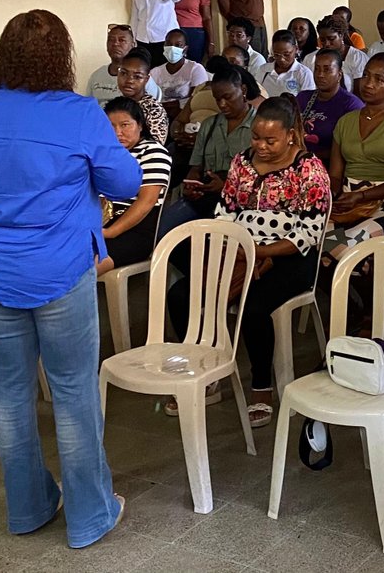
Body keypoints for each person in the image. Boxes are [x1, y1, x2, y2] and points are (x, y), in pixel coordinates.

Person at [0, 9, 140, 549]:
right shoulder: (80, 113)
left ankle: (28, 508)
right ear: (62, 56)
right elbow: (124, 181)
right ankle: (90, 516)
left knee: (10, 390)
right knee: (72, 392)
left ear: (4, 53)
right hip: (61, 269)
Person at [164, 97, 331, 428]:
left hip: (289, 255)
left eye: (270, 140)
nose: (261, 146)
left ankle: (261, 386)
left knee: (255, 308)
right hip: (239, 251)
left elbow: (309, 234)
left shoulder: (309, 170)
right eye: (256, 137)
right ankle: (205, 371)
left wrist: (262, 253)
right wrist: (232, 247)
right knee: (181, 294)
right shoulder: (242, 162)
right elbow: (225, 212)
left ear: (290, 136)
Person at [323, 54, 384, 261]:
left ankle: (367, 278)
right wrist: (333, 196)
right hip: (347, 200)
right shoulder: (345, 122)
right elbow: (335, 175)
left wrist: (361, 196)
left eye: (379, 79)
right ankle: (354, 280)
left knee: (344, 248)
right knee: (312, 237)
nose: (368, 84)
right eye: (366, 76)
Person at [157, 68, 256, 239]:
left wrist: (226, 185)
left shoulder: (259, 126)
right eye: (218, 99)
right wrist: (192, 184)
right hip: (206, 194)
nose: (222, 104)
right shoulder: (209, 125)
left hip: (242, 200)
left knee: (211, 239)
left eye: (228, 97)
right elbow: (196, 166)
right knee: (163, 231)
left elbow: (263, 175)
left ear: (243, 90)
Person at [98, 97, 171, 269]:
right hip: (98, 221)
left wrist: (111, 232)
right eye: (111, 126)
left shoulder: (153, 152)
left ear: (140, 125)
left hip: (133, 230)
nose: (117, 132)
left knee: (81, 267)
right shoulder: (103, 152)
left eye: (125, 125)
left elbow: (146, 202)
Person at [295, 49, 364, 165]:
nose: (320, 75)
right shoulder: (303, 98)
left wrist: (310, 156)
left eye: (327, 70)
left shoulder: (351, 105)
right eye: (317, 69)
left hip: (329, 166)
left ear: (339, 74)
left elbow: (349, 149)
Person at [88, 24, 163, 104]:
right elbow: (88, 106)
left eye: (122, 40)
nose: (115, 44)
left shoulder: (141, 78)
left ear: (132, 45)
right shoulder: (96, 76)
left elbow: (152, 107)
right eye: (111, 40)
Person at [150, 29, 210, 108]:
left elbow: (196, 99)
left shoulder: (195, 69)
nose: (172, 48)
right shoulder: (155, 72)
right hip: (159, 113)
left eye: (178, 45)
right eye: (169, 44)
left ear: (185, 49)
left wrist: (167, 106)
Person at [303, 24, 368, 88]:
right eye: (322, 40)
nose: (326, 44)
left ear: (341, 35)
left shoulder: (357, 57)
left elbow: (359, 89)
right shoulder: (310, 58)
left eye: (331, 39)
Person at [255, 30, 315, 99]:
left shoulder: (304, 73)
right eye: (277, 55)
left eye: (286, 54)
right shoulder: (264, 70)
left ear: (296, 49)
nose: (281, 59)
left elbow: (307, 100)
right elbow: (256, 95)